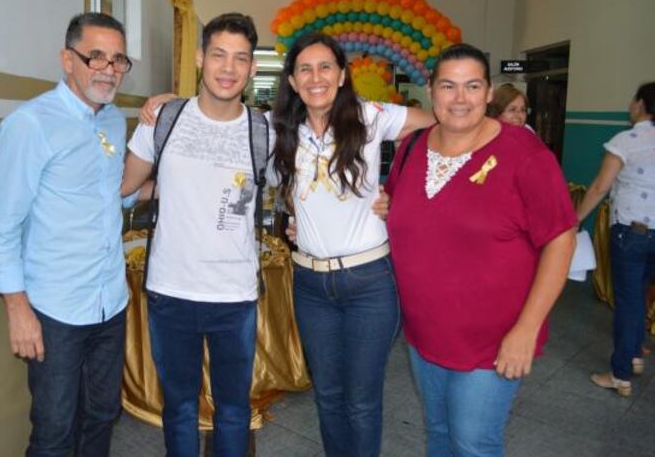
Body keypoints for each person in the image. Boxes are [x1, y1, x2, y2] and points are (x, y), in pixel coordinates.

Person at [385, 43, 576, 457]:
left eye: (472, 86)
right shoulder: (411, 148)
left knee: (473, 443)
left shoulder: (525, 156)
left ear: (489, 92)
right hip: (424, 334)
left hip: (494, 340)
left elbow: (561, 240)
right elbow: (396, 208)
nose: (460, 98)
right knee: (438, 434)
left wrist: (526, 330)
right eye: (448, 86)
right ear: (431, 91)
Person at [272, 32, 434, 457]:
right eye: (304, 69)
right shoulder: (282, 132)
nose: (316, 77)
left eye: (325, 66)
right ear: (291, 81)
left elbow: (440, 124)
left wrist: (402, 192)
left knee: (361, 402)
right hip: (311, 284)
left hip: (369, 284)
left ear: (342, 75)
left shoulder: (370, 115)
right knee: (327, 396)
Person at [0, 12, 131, 456]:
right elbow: (1, 225)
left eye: (118, 59)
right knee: (54, 431)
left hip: (110, 302)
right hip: (57, 311)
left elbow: (111, 194)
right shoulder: (30, 125)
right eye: (96, 56)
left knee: (103, 415)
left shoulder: (113, 122)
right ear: (68, 60)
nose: (108, 69)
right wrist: (17, 308)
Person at [120, 13, 262, 457]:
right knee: (179, 407)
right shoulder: (163, 118)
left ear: (253, 68)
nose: (228, 67)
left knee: (234, 409)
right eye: (218, 54)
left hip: (235, 296)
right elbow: (122, 186)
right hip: (171, 292)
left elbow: (306, 181)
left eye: (240, 58)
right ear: (200, 57)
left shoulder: (265, 130)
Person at [575, 82, 655, 396]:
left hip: (632, 234)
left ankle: (620, 374)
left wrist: (575, 219)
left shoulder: (627, 140)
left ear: (640, 105)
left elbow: (599, 187)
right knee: (641, 293)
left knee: (629, 301)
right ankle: (634, 353)